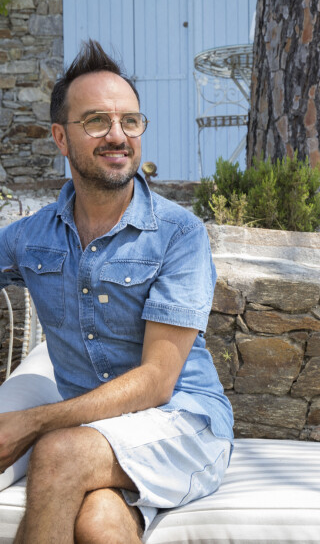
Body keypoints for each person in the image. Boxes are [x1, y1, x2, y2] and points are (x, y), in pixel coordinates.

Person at [0, 39, 234, 543]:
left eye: (130, 121)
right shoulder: (29, 236)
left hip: (185, 424)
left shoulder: (179, 234)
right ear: (61, 138)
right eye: (96, 122)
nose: (118, 135)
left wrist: (30, 423)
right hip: (99, 436)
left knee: (60, 451)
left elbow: (156, 382)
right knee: (101, 523)